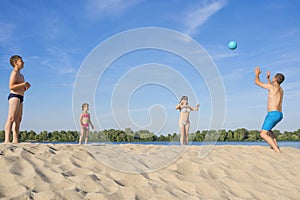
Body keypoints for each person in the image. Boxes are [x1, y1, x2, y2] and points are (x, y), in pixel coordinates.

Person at [255, 67, 284, 153]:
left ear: (275, 79)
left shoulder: (273, 88)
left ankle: (277, 150)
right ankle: (275, 145)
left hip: (273, 114)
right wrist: (267, 79)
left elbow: (257, 82)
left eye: (273, 77)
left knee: (263, 134)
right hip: (279, 114)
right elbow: (271, 88)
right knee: (268, 130)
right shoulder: (281, 90)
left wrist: (257, 74)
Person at [4, 55, 31, 144]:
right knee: (11, 117)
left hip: (21, 97)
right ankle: (7, 139)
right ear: (16, 63)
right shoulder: (14, 73)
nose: (23, 62)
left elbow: (22, 89)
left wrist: (26, 87)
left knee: (18, 119)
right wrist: (23, 84)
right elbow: (11, 86)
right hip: (14, 96)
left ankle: (15, 139)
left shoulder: (21, 75)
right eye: (21, 61)